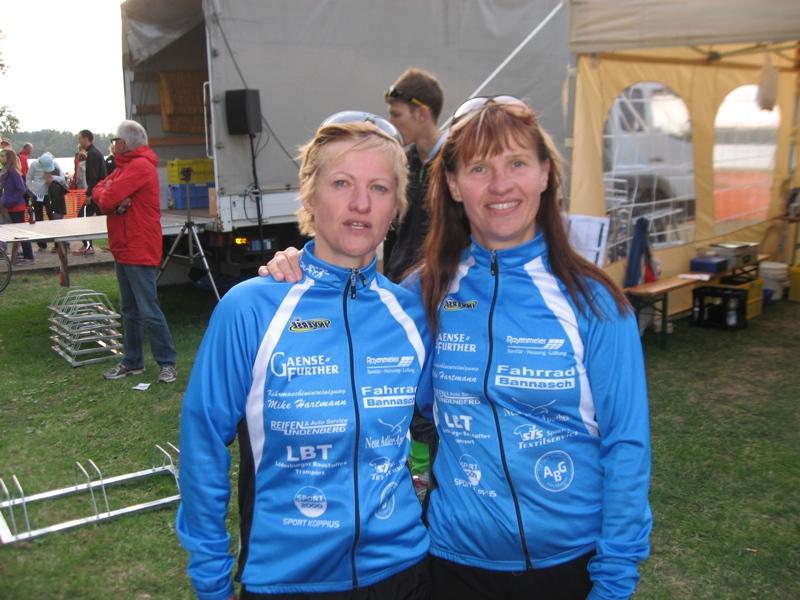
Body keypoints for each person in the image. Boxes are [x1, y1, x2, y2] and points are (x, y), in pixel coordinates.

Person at [262, 97, 652, 599]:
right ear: (452, 184)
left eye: (517, 163)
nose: (500, 185)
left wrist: (615, 578)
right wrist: (299, 268)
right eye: (479, 168)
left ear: (545, 174)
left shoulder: (592, 301)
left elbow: (627, 446)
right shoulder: (424, 293)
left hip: (570, 563)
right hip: (451, 564)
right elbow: (351, 327)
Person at [177, 114, 431, 600]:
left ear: (396, 206)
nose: (361, 204)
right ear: (310, 197)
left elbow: (457, 415)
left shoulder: (411, 314)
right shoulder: (250, 309)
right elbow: (202, 445)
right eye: (342, 183)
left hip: (403, 573)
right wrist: (211, 578)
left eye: (379, 188)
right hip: (286, 579)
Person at [383, 67, 447, 494]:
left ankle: (427, 476)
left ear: (422, 113)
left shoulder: (453, 162)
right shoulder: (404, 162)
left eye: (397, 114)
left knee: (428, 393)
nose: (392, 123)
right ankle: (410, 469)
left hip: (435, 295)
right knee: (400, 387)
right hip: (398, 291)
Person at [92, 120, 178, 384]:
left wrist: (112, 199)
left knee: (148, 309)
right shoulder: (124, 167)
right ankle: (133, 361)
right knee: (129, 309)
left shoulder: (139, 166)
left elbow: (105, 199)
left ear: (123, 143)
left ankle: (167, 363)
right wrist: (112, 198)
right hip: (125, 247)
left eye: (115, 141)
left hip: (138, 246)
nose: (112, 145)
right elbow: (98, 190)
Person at [75, 129, 107, 254]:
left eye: (80, 138)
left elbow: (94, 177)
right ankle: (120, 243)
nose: (79, 141)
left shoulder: (93, 154)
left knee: (82, 217)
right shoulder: (95, 152)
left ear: (86, 138)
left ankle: (88, 247)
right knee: (105, 219)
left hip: (96, 193)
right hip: (100, 191)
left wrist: (89, 194)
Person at [0, 148, 35, 263]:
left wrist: (10, 201)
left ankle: (28, 256)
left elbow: (21, 189)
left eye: (3, 156)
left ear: (9, 158)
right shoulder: (6, 172)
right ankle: (17, 256)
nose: (1, 158)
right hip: (9, 206)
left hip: (16, 206)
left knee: (20, 232)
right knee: (15, 232)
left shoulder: (13, 172)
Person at [27, 152, 62, 251]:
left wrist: (53, 178)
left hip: (49, 194)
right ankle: (42, 245)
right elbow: (28, 178)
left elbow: (61, 178)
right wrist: (31, 190)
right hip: (37, 195)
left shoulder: (54, 164)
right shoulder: (34, 164)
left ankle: (57, 244)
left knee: (53, 217)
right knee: (38, 219)